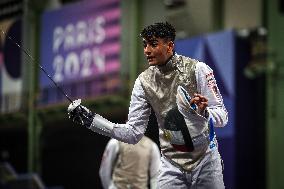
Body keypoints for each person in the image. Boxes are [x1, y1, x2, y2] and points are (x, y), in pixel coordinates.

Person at [67, 22, 228, 188]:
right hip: (172, 165)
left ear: (170, 46)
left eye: (153, 44)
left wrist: (204, 112)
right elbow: (133, 133)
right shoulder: (143, 82)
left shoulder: (198, 69)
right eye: (145, 45)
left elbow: (222, 117)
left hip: (206, 161)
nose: (147, 50)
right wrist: (91, 120)